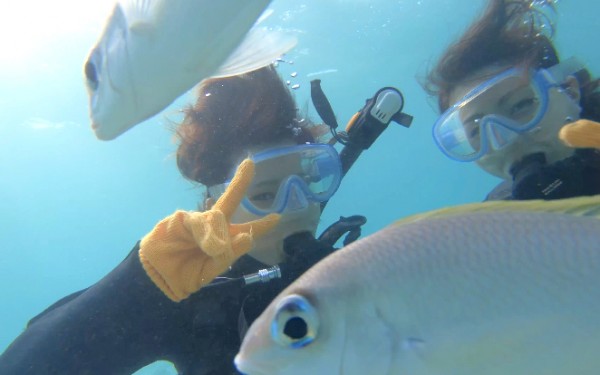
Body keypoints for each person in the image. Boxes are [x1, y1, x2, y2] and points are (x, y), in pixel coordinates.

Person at [0, 66, 366, 374]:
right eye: (264, 195)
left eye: (307, 184)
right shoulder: (198, 301)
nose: (296, 208)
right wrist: (141, 286)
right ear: (213, 207)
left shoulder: (357, 276)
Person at [424, 0, 600, 201]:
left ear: (569, 91)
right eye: (476, 131)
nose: (503, 142)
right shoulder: (500, 218)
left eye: (520, 105)